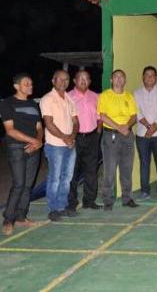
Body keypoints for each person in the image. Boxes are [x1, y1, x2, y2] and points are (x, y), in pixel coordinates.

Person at [0, 73, 43, 235]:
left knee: (27, 186)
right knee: (18, 184)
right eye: (26, 84)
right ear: (16, 86)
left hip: (34, 148)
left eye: (31, 83)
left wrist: (38, 142)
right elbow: (10, 130)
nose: (30, 86)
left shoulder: (33, 104)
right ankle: (8, 219)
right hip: (17, 148)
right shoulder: (8, 103)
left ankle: (21, 216)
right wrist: (33, 141)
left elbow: (40, 127)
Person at [40, 70, 79, 221]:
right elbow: (49, 123)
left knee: (67, 177)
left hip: (70, 144)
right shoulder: (47, 99)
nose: (64, 82)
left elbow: (76, 121)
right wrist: (65, 138)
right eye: (60, 79)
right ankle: (53, 208)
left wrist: (72, 137)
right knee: (54, 178)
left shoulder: (69, 99)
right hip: (55, 145)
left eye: (66, 79)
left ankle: (62, 206)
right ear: (53, 81)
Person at [97, 69, 139, 210]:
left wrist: (126, 126)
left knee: (127, 169)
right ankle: (108, 201)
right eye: (116, 77)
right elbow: (102, 116)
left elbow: (134, 116)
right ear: (111, 80)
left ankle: (127, 199)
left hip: (127, 135)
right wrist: (118, 127)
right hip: (111, 136)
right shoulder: (105, 96)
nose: (119, 79)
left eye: (122, 77)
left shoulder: (129, 96)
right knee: (109, 170)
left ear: (125, 80)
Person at [67, 70, 102, 212]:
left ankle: (89, 200)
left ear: (90, 81)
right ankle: (71, 202)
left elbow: (100, 116)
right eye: (80, 78)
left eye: (87, 78)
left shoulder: (96, 96)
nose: (84, 81)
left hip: (92, 137)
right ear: (74, 81)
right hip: (75, 138)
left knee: (91, 171)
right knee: (72, 171)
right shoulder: (68, 97)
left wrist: (99, 130)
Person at [134, 66, 157, 200]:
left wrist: (154, 127)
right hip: (142, 135)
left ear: (156, 78)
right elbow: (136, 112)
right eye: (147, 75)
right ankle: (145, 191)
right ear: (143, 77)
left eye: (152, 75)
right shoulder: (136, 93)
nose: (149, 77)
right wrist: (148, 127)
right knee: (144, 163)